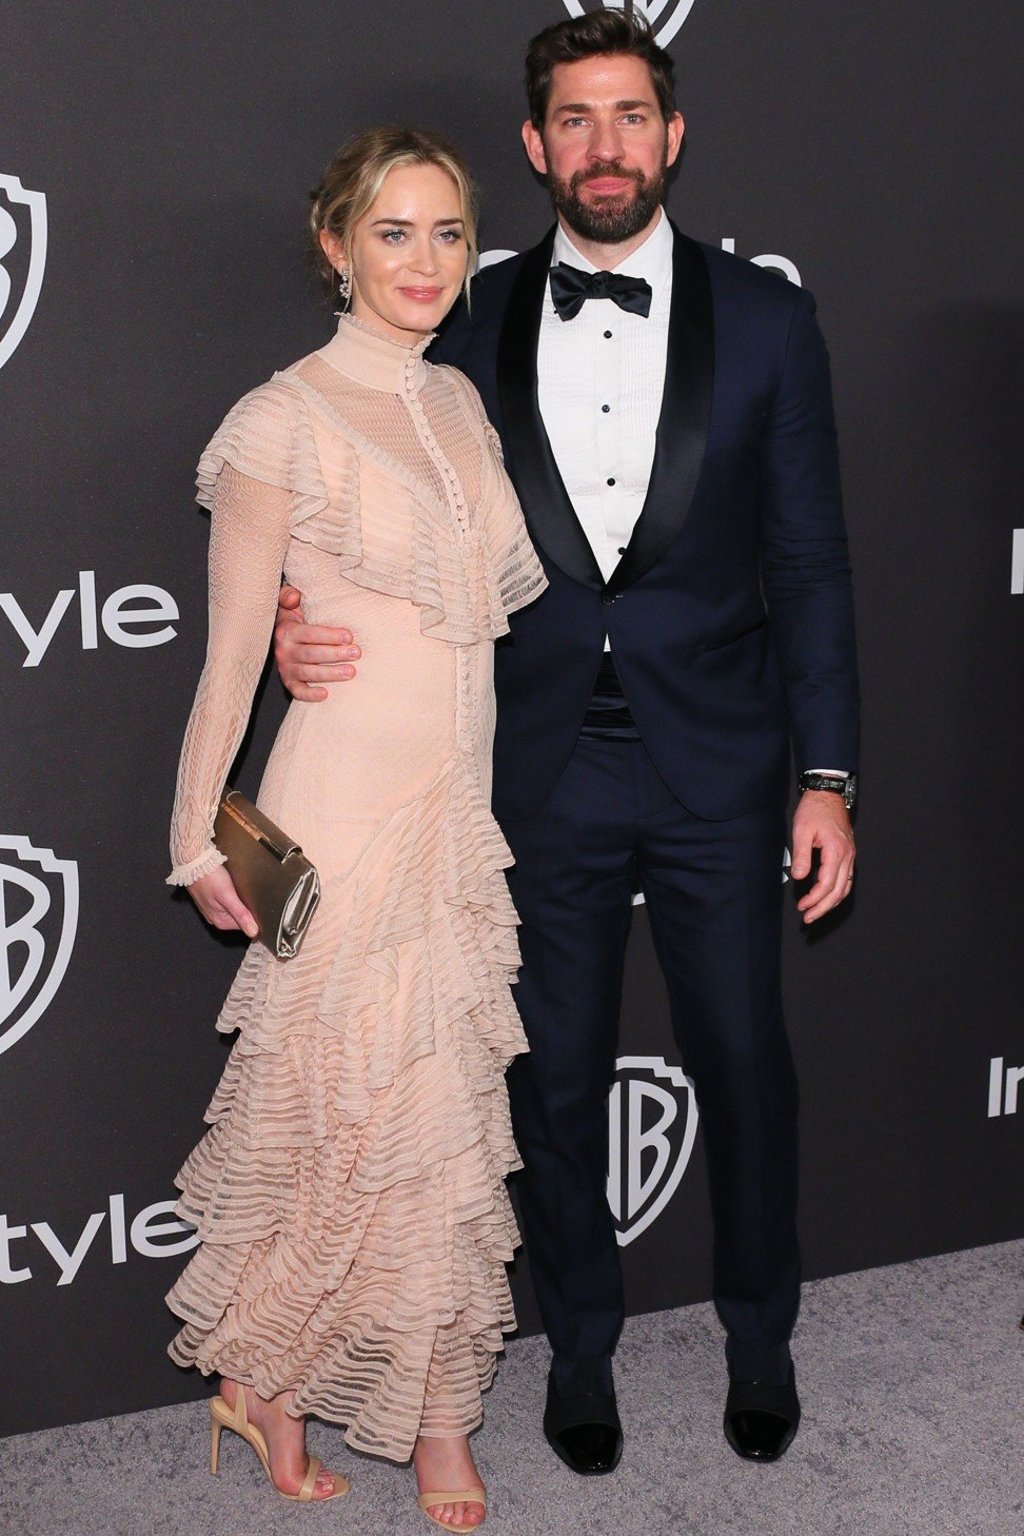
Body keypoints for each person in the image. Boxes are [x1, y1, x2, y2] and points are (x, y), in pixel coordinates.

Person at [274, 12, 859, 1477]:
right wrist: (300, 620)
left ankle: (759, 1335)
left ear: (673, 136)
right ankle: (579, 1348)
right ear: (537, 148)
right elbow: (362, 492)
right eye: (575, 122)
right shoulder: (456, 317)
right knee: (549, 1081)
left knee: (743, 1060)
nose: (606, 147)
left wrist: (831, 775)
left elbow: (813, 564)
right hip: (529, 770)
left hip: (724, 764)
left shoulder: (770, 321)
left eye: (631, 115)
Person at [166, 126, 546, 1529]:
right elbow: (226, 657)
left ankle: (442, 1415)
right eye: (393, 233)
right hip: (331, 819)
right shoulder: (282, 418)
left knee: (443, 1131)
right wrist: (195, 841)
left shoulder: (457, 403)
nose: (425, 262)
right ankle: (267, 1383)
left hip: (454, 822)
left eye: (448, 232)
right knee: (333, 1131)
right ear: (335, 246)